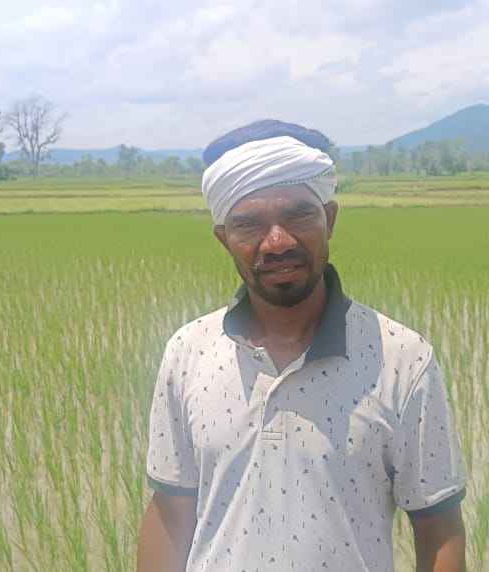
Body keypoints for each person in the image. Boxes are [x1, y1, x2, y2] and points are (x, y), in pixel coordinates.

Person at [137, 120, 467, 571]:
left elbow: (438, 527)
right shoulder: (188, 351)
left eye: (298, 216)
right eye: (248, 225)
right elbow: (170, 512)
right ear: (224, 238)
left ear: (329, 220)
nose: (277, 242)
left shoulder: (402, 358)